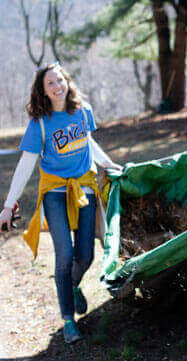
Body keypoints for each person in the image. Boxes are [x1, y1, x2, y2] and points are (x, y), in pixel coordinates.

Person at [0, 63, 122, 343]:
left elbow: (87, 143)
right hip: (55, 192)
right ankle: (68, 320)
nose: (57, 87)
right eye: (50, 84)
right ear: (43, 91)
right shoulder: (40, 123)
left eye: (60, 80)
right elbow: (26, 163)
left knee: (87, 255)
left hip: (85, 188)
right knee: (64, 255)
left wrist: (108, 164)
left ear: (67, 81)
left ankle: (72, 285)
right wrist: (9, 204)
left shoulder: (83, 111)